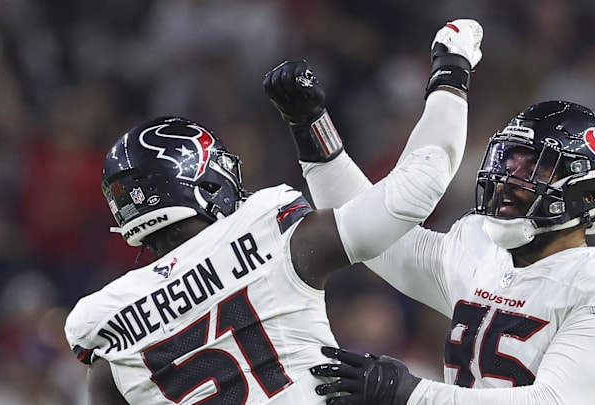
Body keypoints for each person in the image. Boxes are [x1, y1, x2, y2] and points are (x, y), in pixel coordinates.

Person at [62, 19, 484, 404]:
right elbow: (417, 188)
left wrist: (309, 124)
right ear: (206, 183)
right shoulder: (270, 230)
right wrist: (452, 64)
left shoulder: (107, 333)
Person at [268, 52, 595, 403]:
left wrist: (409, 393)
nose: (512, 175)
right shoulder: (480, 251)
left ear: (587, 190)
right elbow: (372, 235)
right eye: (510, 159)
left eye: (536, 165)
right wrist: (311, 128)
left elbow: (553, 400)